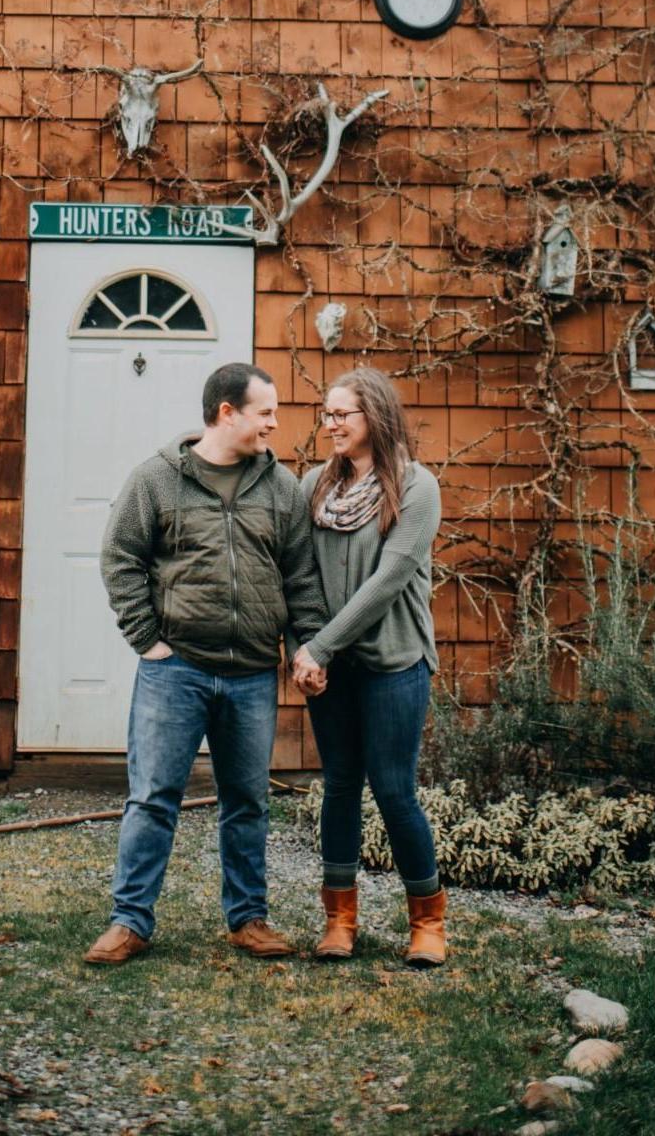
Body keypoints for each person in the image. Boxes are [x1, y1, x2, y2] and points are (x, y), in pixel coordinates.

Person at [84, 361, 331, 966]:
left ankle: (248, 919)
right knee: (153, 797)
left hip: (251, 672)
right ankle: (130, 921)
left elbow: (300, 577)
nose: (275, 423)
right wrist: (147, 639)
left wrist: (310, 645)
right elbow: (120, 558)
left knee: (247, 800)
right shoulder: (157, 481)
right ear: (228, 412)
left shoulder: (280, 489)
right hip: (177, 670)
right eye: (265, 412)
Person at [290, 365, 448, 966]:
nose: (329, 424)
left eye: (341, 414)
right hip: (328, 669)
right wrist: (305, 649)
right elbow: (299, 577)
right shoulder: (313, 487)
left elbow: (388, 582)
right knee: (338, 788)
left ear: (373, 416)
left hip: (394, 664)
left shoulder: (416, 487)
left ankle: (427, 921)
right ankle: (339, 921)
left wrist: (320, 646)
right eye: (325, 414)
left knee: (393, 789)